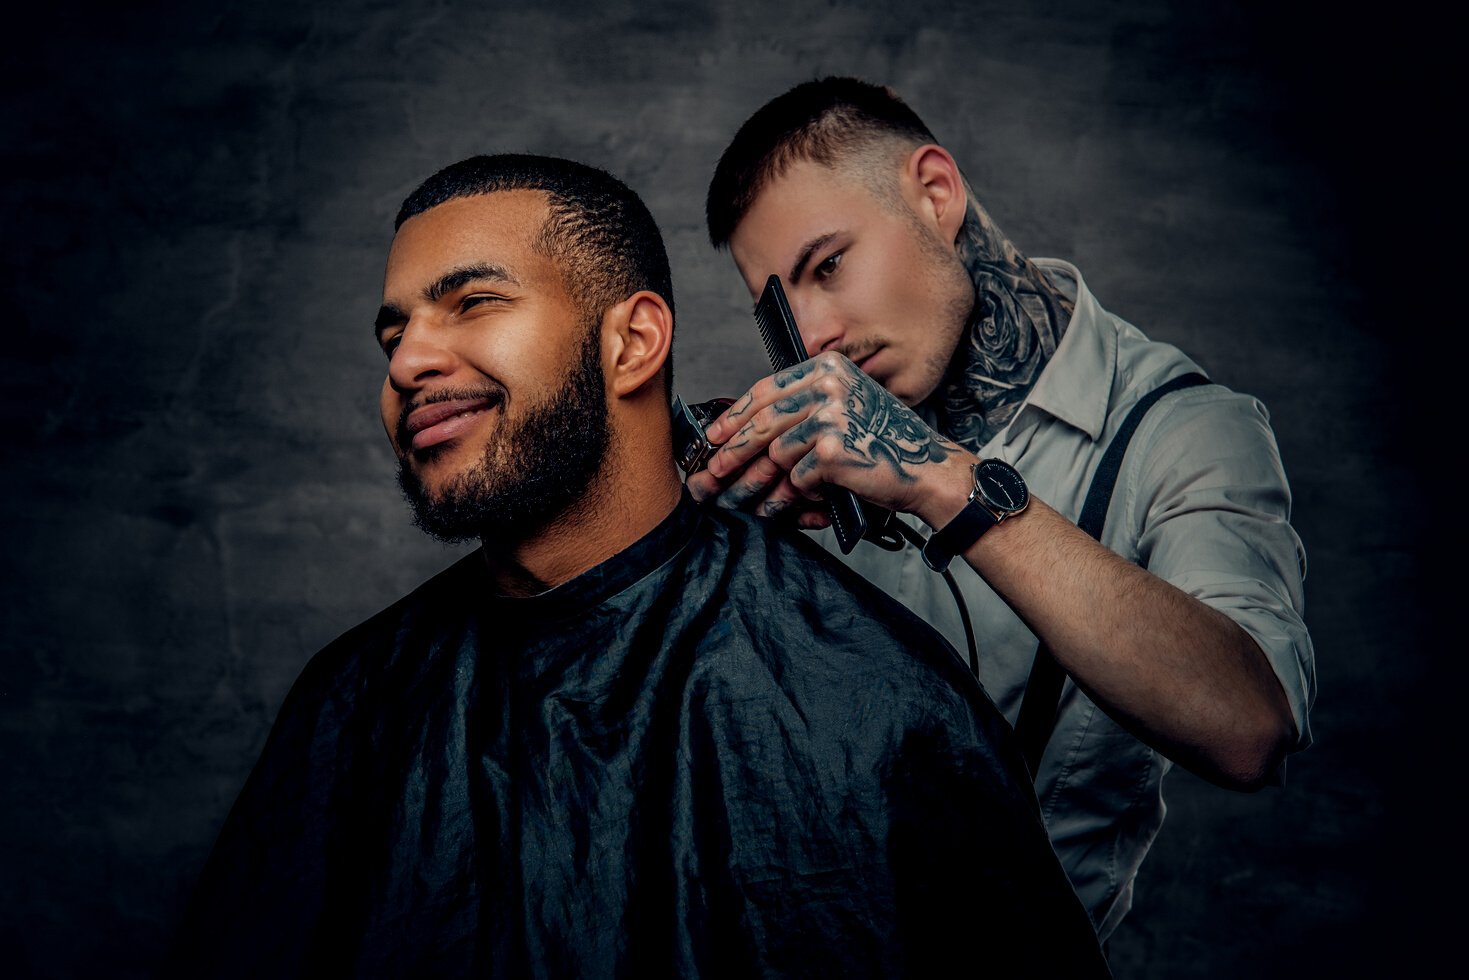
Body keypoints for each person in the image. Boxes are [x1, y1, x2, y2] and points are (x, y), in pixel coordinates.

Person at [167, 153, 1110, 978]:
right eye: (392, 334)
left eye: (473, 302)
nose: (409, 359)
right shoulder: (352, 703)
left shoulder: (876, 696)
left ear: (634, 341)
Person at [689, 77, 1316, 941]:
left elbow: (1250, 728)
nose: (816, 332)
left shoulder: (1181, 430)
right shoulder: (816, 450)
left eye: (828, 265)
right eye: (781, 312)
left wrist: (943, 481)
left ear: (935, 193)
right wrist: (703, 526)